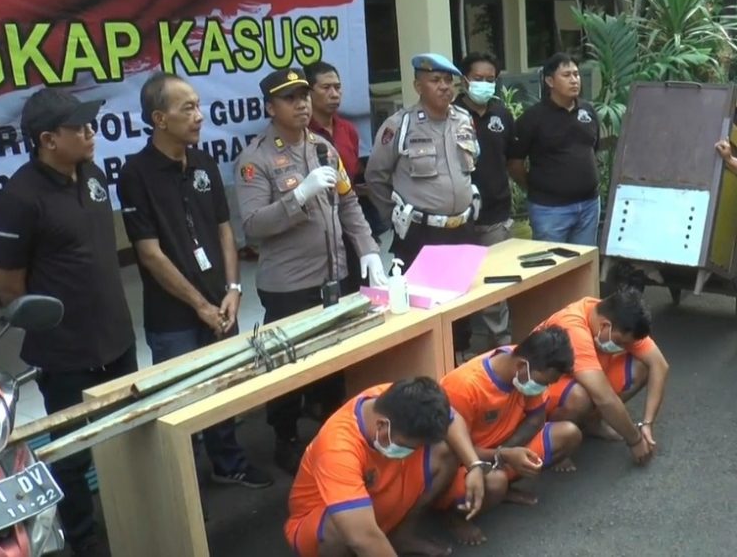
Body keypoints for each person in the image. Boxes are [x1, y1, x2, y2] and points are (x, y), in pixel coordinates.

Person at [0, 88, 135, 556]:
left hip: (117, 339)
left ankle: (136, 516)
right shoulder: (19, 197)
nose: (91, 133)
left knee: (129, 438)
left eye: (90, 124)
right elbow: (9, 289)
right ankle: (85, 540)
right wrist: (60, 324)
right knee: (72, 454)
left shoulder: (90, 173)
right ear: (48, 139)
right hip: (65, 353)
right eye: (79, 128)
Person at [117, 72, 272, 488]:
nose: (199, 116)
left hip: (221, 301)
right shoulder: (135, 174)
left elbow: (225, 229)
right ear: (159, 118)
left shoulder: (202, 161)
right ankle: (181, 489)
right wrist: (200, 306)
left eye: (199, 105)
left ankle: (229, 464)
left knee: (225, 389)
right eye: (187, 107)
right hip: (175, 315)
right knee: (182, 400)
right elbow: (149, 253)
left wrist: (233, 291)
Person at [235, 67, 388, 474]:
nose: (302, 103)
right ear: (270, 107)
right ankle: (284, 438)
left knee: (333, 362)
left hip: (333, 276)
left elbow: (349, 203)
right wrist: (298, 197)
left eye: (304, 95)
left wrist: (370, 250)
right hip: (289, 284)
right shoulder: (257, 159)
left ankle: (333, 435)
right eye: (290, 98)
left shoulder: (323, 149)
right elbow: (251, 226)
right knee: (288, 367)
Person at [284, 377, 485, 557]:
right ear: (382, 426)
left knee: (445, 449)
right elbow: (362, 537)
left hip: (375, 493)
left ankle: (402, 536)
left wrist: (473, 465)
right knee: (340, 530)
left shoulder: (395, 400)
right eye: (410, 446)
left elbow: (452, 418)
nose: (415, 451)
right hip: (325, 522)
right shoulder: (337, 448)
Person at [365, 52, 481, 355]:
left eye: (448, 80)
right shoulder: (399, 125)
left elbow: (470, 165)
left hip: (462, 230)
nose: (444, 87)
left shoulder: (463, 119)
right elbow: (375, 176)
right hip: (421, 235)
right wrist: (395, 217)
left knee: (462, 308)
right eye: (435, 81)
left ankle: (459, 361)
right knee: (424, 313)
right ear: (418, 86)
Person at [438, 326, 581, 545]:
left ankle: (504, 489)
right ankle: (454, 518)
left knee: (569, 434)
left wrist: (505, 452)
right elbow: (450, 452)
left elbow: (536, 419)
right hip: (466, 461)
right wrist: (503, 455)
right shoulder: (463, 386)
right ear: (522, 366)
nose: (545, 388)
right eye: (544, 382)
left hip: (503, 450)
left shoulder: (524, 363)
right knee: (496, 482)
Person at [537, 288, 670, 470]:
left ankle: (591, 421)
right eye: (621, 342)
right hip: (542, 393)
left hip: (586, 375)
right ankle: (554, 442)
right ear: (605, 326)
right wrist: (635, 440)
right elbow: (603, 397)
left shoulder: (613, 317)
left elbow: (659, 365)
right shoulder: (573, 327)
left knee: (644, 365)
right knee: (581, 395)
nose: (623, 347)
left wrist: (647, 424)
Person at [455, 51, 516, 351]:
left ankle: (502, 345)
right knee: (461, 282)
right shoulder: (451, 114)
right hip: (458, 217)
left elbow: (511, 159)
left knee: (496, 283)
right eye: (478, 79)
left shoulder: (501, 114)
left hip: (495, 213)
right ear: (464, 80)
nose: (484, 84)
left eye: (490, 80)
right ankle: (460, 344)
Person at [509, 52, 601, 245]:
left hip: (589, 206)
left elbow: (593, 149)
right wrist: (534, 188)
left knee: (582, 267)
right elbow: (514, 162)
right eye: (566, 75)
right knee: (551, 267)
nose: (574, 80)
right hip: (549, 210)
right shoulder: (532, 118)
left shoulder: (588, 111)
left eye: (576, 74)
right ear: (550, 81)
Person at [305, 60, 373, 292]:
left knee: (361, 293)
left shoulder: (348, 130)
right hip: (317, 232)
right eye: (326, 88)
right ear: (308, 93)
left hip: (350, 223)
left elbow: (351, 178)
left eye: (338, 87)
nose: (334, 94)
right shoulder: (301, 135)